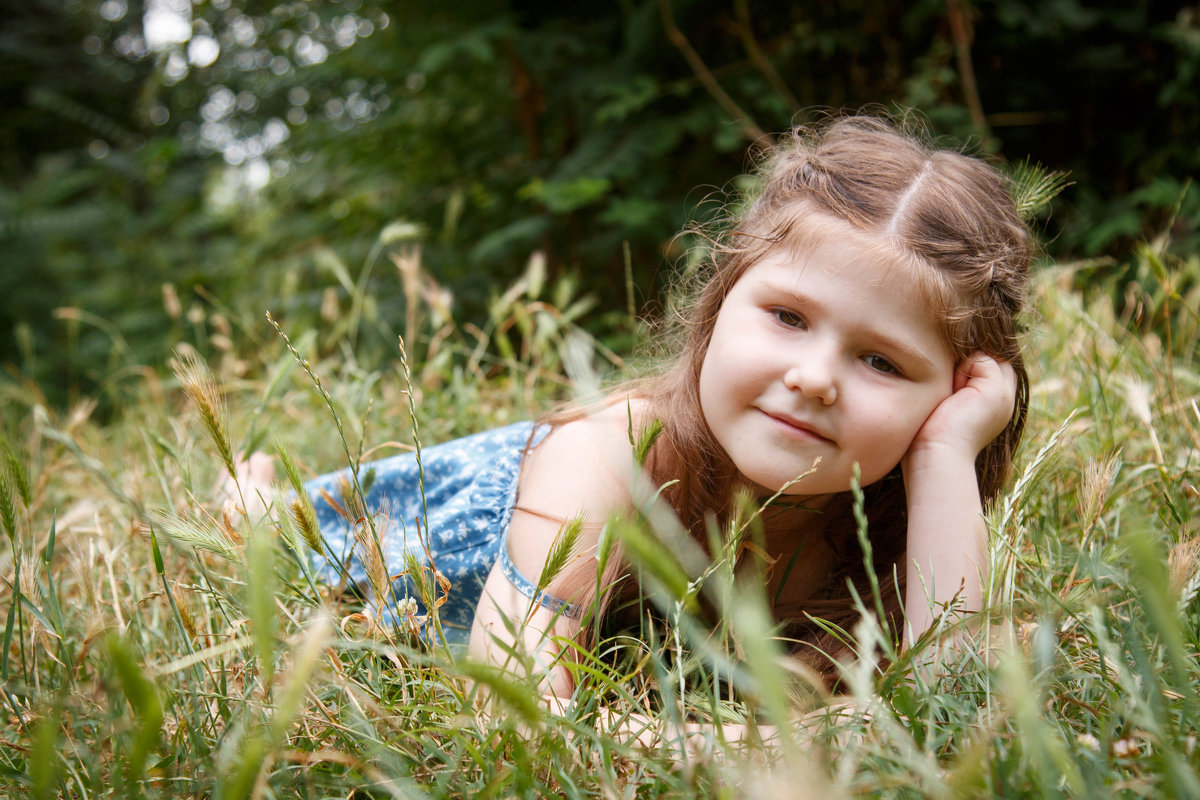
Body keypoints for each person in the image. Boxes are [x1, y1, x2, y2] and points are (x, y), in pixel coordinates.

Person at [240, 113, 1031, 700]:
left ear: (952, 394)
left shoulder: (886, 532)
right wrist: (746, 750)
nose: (816, 377)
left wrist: (942, 458)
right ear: (721, 302)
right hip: (389, 555)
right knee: (271, 543)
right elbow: (505, 701)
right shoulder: (613, 455)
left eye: (882, 361)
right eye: (788, 317)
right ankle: (252, 498)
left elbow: (948, 698)